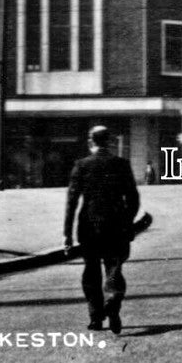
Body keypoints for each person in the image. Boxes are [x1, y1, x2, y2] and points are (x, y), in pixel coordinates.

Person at [63, 126, 140, 335]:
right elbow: (133, 198)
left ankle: (95, 318)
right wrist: (127, 221)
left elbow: (71, 202)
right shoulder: (122, 164)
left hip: (89, 226)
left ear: (91, 142)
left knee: (91, 271)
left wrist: (67, 234)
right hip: (116, 226)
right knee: (114, 268)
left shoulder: (81, 165)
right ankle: (113, 299)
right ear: (110, 142)